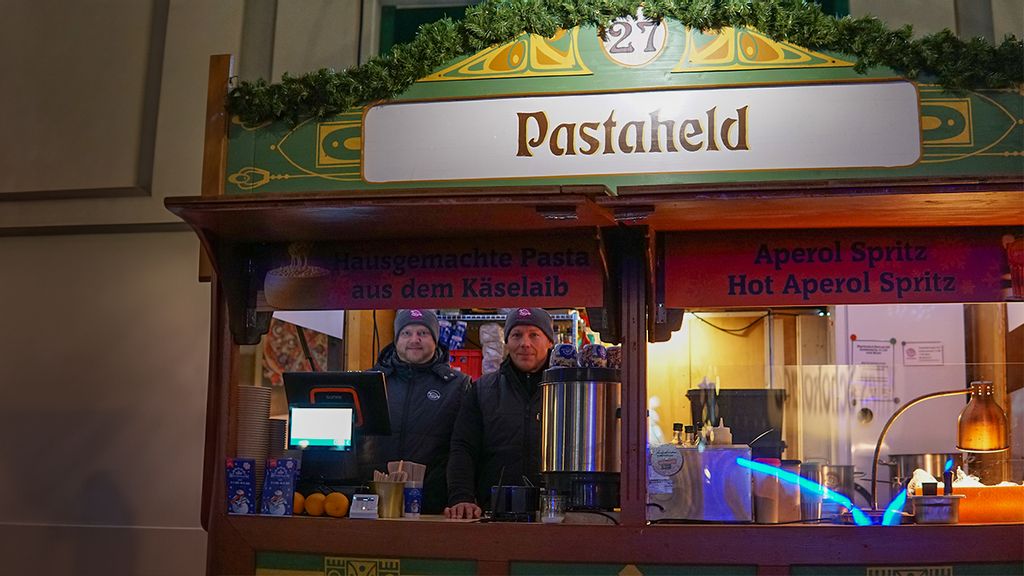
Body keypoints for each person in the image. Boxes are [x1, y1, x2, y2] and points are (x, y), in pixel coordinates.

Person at [444, 307, 556, 519]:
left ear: (550, 341)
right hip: (495, 511)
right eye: (516, 335)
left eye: (534, 335)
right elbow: (463, 447)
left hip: (556, 512)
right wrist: (461, 497)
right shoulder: (482, 390)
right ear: (507, 341)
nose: (525, 343)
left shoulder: (567, 390)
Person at [360, 309, 470, 515]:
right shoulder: (370, 381)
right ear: (396, 339)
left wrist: (460, 496)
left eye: (423, 333)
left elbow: (464, 448)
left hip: (433, 504)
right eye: (406, 333)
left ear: (435, 340)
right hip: (373, 501)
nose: (414, 339)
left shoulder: (457, 385)